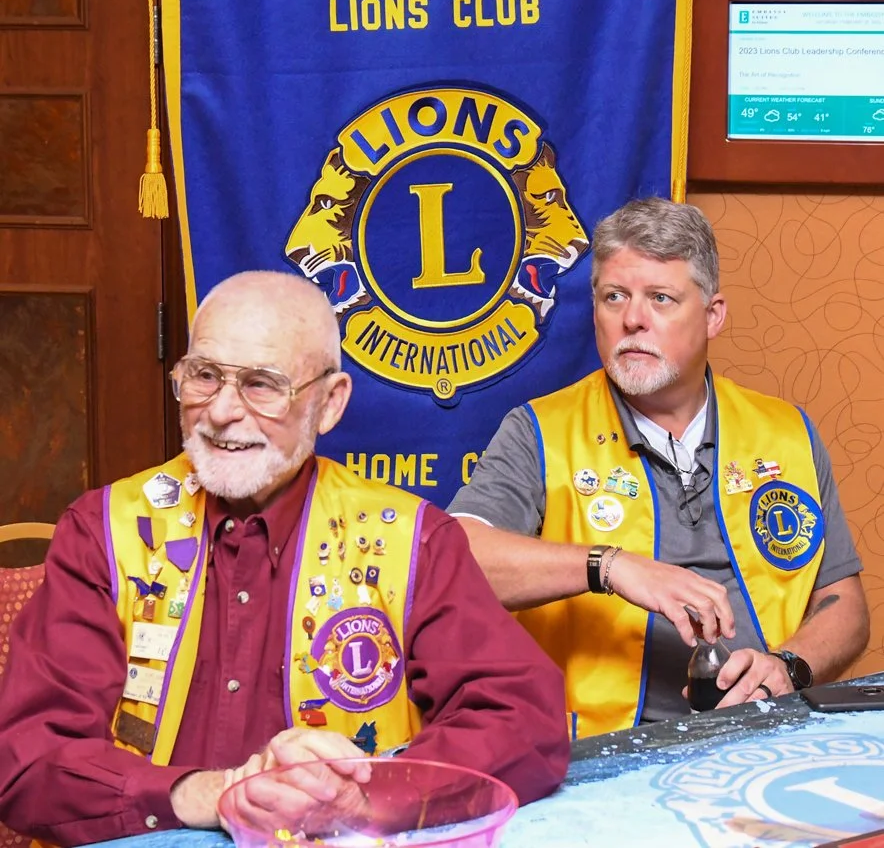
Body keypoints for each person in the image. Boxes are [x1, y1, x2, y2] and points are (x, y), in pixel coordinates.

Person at [0, 272, 569, 846]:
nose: (221, 411)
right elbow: (28, 759)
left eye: (261, 384)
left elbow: (522, 720)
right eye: (204, 375)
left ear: (329, 403)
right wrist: (207, 793)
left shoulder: (412, 539)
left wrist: (369, 794)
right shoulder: (104, 531)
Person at [448, 197, 869, 741]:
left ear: (713, 315)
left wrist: (788, 667)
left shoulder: (788, 433)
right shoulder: (539, 431)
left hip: (766, 734)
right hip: (598, 749)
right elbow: (455, 558)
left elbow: (844, 606)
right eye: (614, 297)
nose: (632, 319)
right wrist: (610, 566)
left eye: (660, 298)